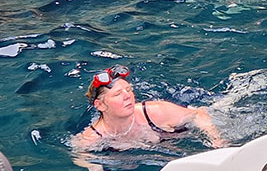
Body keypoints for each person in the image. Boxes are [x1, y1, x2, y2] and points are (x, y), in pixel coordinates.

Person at [72, 65, 225, 152]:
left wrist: (216, 140)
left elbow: (199, 114)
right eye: (118, 94)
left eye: (129, 90)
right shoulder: (92, 138)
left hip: (186, 133)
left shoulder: (155, 112)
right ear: (100, 105)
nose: (128, 96)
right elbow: (81, 156)